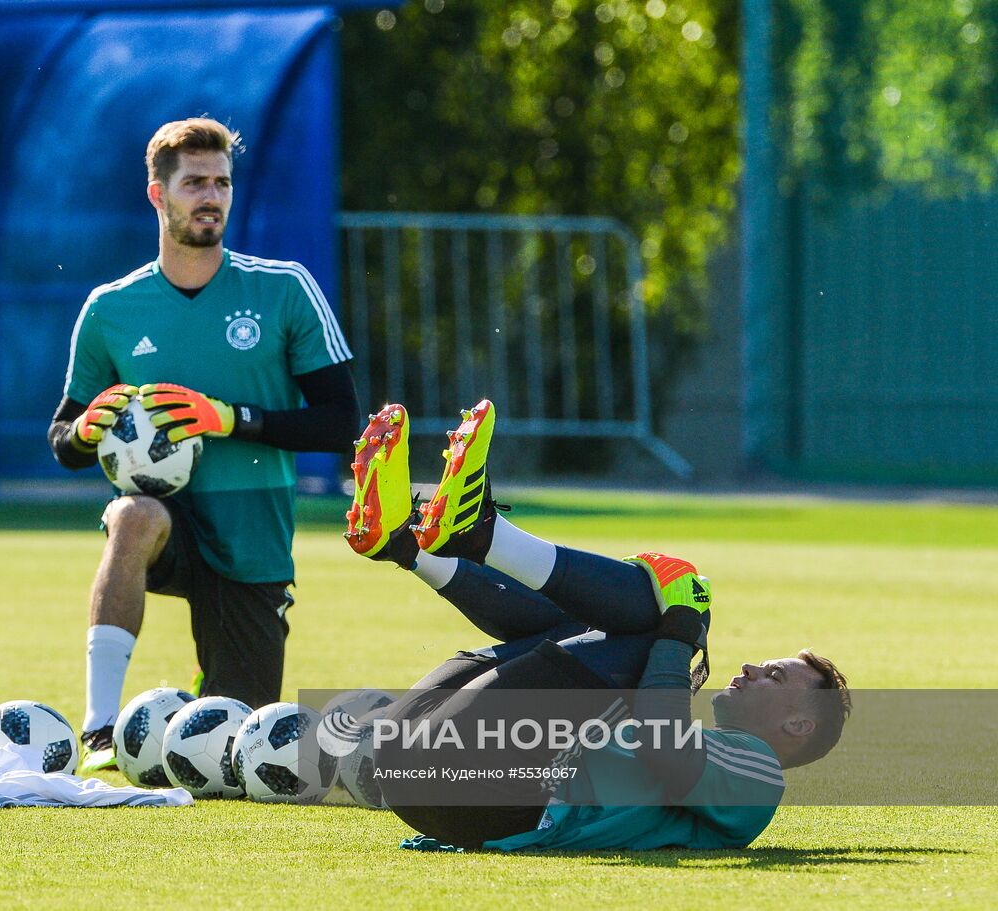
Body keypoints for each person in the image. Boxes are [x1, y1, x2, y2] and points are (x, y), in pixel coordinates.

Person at [345, 400, 851, 851]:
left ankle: (477, 534)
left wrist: (680, 631)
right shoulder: (717, 760)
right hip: (415, 763)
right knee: (598, 626)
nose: (751, 668)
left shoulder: (761, 774)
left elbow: (661, 741)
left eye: (775, 676)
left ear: (798, 726)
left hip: (485, 790)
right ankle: (410, 548)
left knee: (669, 616)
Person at [49, 118, 359, 772]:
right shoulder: (111, 308)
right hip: (168, 517)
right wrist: (84, 431)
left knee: (229, 749)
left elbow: (340, 423)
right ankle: (102, 728)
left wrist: (228, 417)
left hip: (253, 535)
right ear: (158, 195)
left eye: (221, 182)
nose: (210, 196)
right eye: (194, 183)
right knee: (132, 515)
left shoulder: (283, 290)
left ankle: (189, 702)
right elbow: (63, 440)